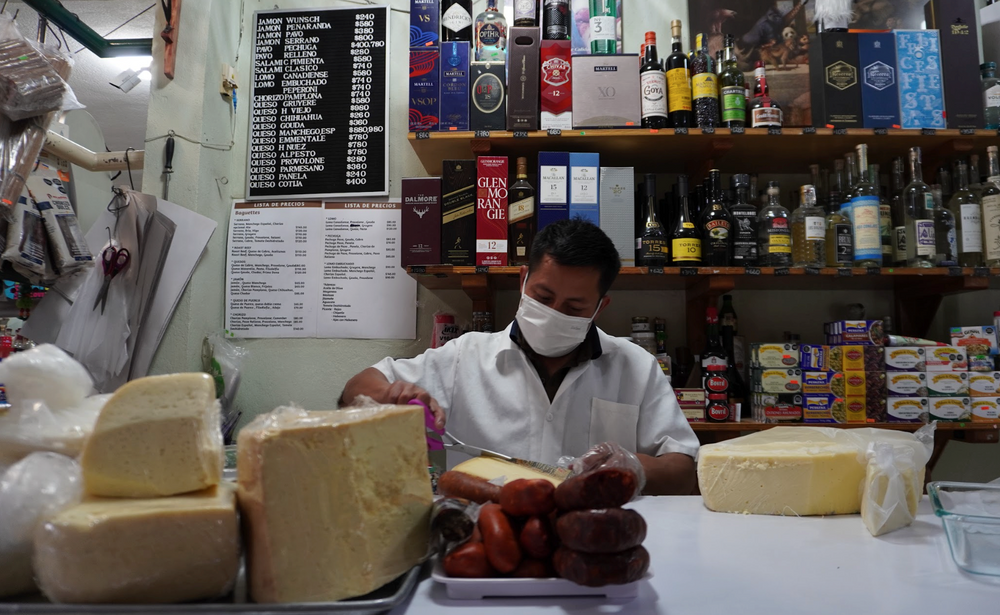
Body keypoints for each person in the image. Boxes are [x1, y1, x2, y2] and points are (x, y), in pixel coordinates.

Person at [340, 219, 699, 495]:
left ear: (600, 307)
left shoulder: (635, 366)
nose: (555, 312)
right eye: (543, 297)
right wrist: (391, 396)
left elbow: (684, 469)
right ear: (523, 280)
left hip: (598, 537)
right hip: (486, 538)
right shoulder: (466, 356)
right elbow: (355, 389)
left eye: (574, 307)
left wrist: (633, 467)